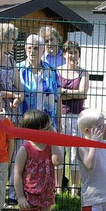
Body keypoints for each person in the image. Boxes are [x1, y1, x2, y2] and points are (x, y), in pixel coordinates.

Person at [17, 34, 62, 194]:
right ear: (25, 49)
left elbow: (58, 97)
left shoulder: (51, 70)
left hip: (46, 124)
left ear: (43, 50)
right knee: (23, 159)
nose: (32, 51)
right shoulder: (18, 69)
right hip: (25, 123)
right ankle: (17, 192)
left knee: (44, 159)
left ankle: (43, 191)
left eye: (36, 48)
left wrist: (59, 121)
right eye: (29, 47)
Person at [14, 110, 64, 211]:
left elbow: (58, 161)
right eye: (47, 128)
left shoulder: (49, 146)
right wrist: (20, 196)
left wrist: (53, 139)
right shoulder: (25, 149)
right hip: (30, 195)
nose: (50, 129)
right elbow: (17, 173)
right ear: (35, 131)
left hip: (46, 193)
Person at [57, 40, 89, 197]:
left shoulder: (83, 73)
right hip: (60, 116)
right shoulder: (57, 71)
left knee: (75, 154)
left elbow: (83, 94)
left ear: (79, 55)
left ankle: (75, 189)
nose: (72, 55)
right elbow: (55, 95)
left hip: (77, 117)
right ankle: (57, 188)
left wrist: (63, 92)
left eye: (75, 52)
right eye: (69, 52)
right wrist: (69, 94)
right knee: (59, 151)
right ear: (64, 54)